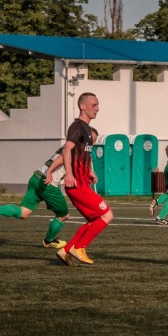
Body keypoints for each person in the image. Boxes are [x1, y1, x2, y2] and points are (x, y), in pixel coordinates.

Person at [0, 133, 97, 249]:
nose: (93, 143)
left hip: (36, 178)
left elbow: (75, 163)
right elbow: (62, 159)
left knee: (24, 212)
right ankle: (49, 241)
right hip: (48, 184)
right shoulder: (75, 149)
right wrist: (50, 172)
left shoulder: (68, 146)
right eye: (92, 140)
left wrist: (90, 173)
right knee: (63, 215)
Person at [55, 93, 114, 266]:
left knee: (95, 220)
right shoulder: (77, 127)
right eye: (94, 105)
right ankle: (79, 247)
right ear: (82, 106)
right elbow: (67, 149)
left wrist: (89, 171)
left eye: (98, 105)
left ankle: (66, 250)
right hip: (76, 184)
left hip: (83, 182)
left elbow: (79, 155)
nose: (97, 109)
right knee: (107, 215)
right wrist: (69, 173)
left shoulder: (87, 130)